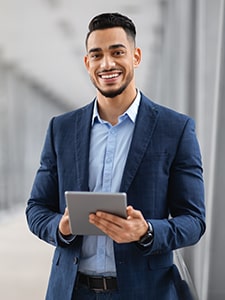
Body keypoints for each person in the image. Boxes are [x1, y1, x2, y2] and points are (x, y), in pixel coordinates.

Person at [25, 12, 206, 300]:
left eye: (117, 52)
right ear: (87, 63)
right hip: (71, 291)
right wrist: (61, 227)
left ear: (136, 56)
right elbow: (36, 208)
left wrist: (146, 231)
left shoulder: (176, 129)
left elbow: (194, 221)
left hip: (145, 292)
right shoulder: (61, 128)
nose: (107, 64)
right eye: (96, 55)